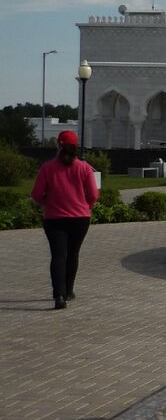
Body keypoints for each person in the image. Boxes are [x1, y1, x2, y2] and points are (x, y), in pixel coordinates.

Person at [31, 130, 99, 309]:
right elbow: (93, 194)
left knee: (58, 256)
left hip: (54, 219)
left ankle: (59, 295)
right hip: (80, 218)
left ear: (58, 146)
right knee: (73, 254)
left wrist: (48, 202)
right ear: (75, 147)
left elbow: (36, 194)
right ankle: (69, 291)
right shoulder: (84, 167)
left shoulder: (48, 167)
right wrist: (85, 205)